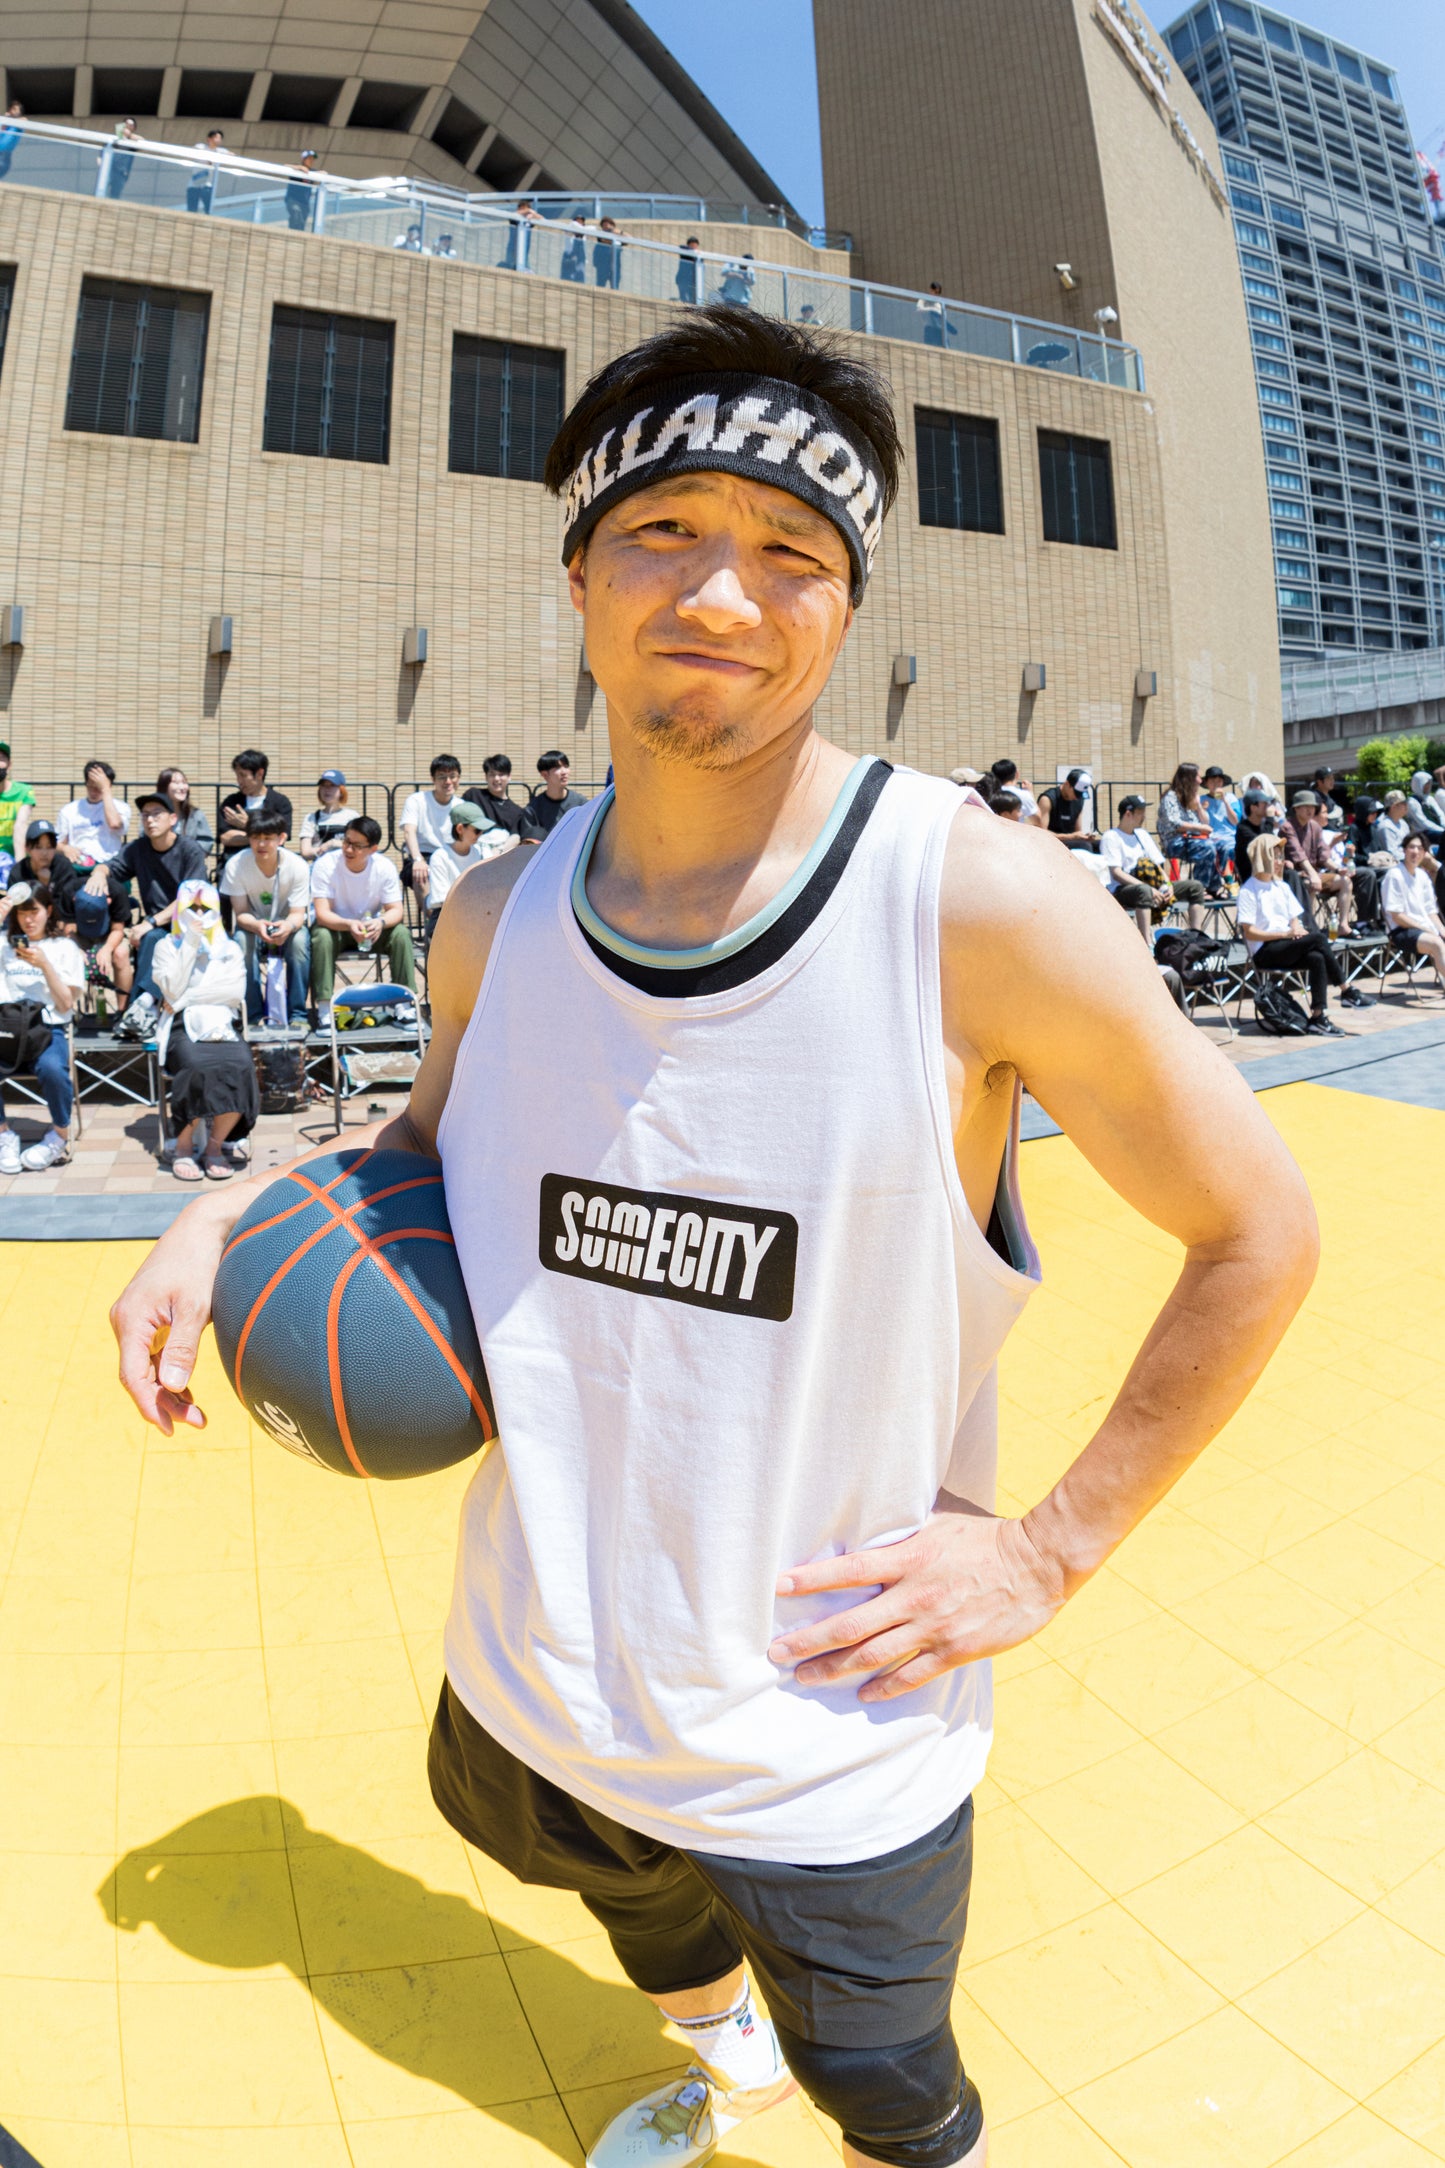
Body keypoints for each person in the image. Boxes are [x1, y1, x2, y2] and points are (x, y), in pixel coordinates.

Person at [113, 305, 1317, 2168]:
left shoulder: (978, 906)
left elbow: (1261, 1229)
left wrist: (1053, 1549)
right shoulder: (493, 918)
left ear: (846, 607)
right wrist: (231, 1204)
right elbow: (430, 1132)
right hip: (535, 1666)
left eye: (793, 553)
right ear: (581, 569)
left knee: (896, 2101)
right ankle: (715, 2046)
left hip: (826, 1730)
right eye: (667, 529)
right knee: (625, 1902)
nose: (725, 596)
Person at [153, 880, 258, 1181]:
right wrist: (189, 943)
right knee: (197, 1066)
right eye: (192, 908)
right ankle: (184, 1145)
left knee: (241, 1065)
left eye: (205, 908)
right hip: (180, 1025)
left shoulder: (230, 948)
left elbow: (233, 992)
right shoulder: (165, 946)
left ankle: (214, 1145)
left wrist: (187, 997)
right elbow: (171, 988)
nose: (198, 914)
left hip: (221, 1022)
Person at [97, 793, 209, 1042]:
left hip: (193, 926)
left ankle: (140, 1009)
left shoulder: (190, 850)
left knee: (156, 938)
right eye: (145, 815)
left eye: (156, 814)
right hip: (157, 928)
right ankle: (141, 1012)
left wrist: (149, 922)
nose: (149, 820)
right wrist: (98, 873)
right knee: (154, 940)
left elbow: (190, 897)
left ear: (172, 819)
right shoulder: (138, 848)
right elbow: (112, 866)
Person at [0, 881, 84, 1172]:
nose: (28, 919)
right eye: (21, 912)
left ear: (48, 911)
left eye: (34, 911)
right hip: (6, 1029)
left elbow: (65, 1005)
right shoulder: (4, 946)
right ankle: (3, 1135)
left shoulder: (63, 948)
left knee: (52, 1069)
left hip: (48, 1030)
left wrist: (45, 966)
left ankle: (59, 1135)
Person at [1237, 831, 1345, 1034]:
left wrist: (1295, 928)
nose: (1280, 861)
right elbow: (1250, 932)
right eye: (1275, 856)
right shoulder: (1248, 890)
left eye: (1281, 855)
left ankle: (1318, 1016)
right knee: (1319, 938)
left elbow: (1293, 916)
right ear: (1263, 858)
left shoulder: (1281, 886)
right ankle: (1346, 989)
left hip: (1285, 945)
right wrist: (1286, 934)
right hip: (1264, 952)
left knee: (1316, 957)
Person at [309, 815, 416, 1019]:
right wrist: (349, 924)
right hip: (337, 929)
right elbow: (322, 914)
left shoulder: (384, 867)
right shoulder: (326, 865)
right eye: (346, 841)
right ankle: (324, 1007)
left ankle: (403, 1004)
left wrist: (380, 922)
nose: (349, 849)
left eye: (357, 845)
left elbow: (396, 910)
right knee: (320, 936)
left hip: (371, 931)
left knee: (401, 933)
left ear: (372, 849)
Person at [219, 811, 311, 1028]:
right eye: (255, 837)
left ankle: (298, 1015)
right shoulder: (236, 864)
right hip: (254, 926)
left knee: (300, 941)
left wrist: (287, 926)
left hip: (288, 926)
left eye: (268, 838)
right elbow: (240, 913)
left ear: (281, 838)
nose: (261, 844)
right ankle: (252, 1015)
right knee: (241, 941)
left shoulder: (297, 866)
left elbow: (298, 913)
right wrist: (257, 925)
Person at [1098, 794, 1208, 941]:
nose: (1143, 816)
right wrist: (1148, 888)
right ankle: (1147, 943)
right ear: (1128, 814)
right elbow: (1117, 873)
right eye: (1140, 812)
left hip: (1152, 886)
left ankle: (1197, 938)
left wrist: (1167, 884)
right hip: (1123, 889)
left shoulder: (1142, 834)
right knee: (1144, 891)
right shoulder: (1111, 837)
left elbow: (1157, 865)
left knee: (1195, 887)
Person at [1285, 788, 1359, 941]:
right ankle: (1308, 927)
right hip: (1294, 876)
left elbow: (1324, 855)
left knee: (1345, 881)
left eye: (1312, 807)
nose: (1310, 810)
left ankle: (1343, 925)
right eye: (1306, 806)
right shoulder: (1288, 827)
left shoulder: (1315, 826)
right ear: (1296, 808)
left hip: (1315, 873)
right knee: (1311, 884)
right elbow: (1298, 855)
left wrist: (1339, 869)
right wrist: (1313, 875)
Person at [426, 798, 514, 919]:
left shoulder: (483, 851)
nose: (480, 835)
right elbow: (443, 900)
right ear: (460, 829)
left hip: (478, 913)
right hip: (446, 916)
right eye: (477, 830)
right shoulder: (440, 857)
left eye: (482, 830)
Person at [1382, 831, 1445, 994]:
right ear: (1404, 850)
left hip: (1424, 928)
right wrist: (1427, 929)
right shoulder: (1394, 875)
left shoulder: (1423, 876)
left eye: (1419, 848)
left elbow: (1431, 911)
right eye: (1411, 847)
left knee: (1441, 937)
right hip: (1401, 931)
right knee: (1437, 943)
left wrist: (1442, 930)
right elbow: (1397, 916)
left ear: (1424, 853)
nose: (1415, 852)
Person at [1157, 762, 1226, 895]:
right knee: (1207, 847)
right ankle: (1200, 888)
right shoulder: (1170, 797)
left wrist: (1198, 805)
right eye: (1198, 777)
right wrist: (1200, 828)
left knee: (1222, 845)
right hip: (1174, 842)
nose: (1201, 780)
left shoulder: (1191, 797)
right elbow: (1174, 823)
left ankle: (1214, 887)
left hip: (1193, 839)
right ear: (1189, 778)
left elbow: (1205, 821)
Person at [401, 754, 463, 899]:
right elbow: (409, 831)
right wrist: (417, 859)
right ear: (433, 779)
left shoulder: (461, 806)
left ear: (458, 778)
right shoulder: (416, 800)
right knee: (421, 875)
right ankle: (432, 920)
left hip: (450, 857)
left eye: (452, 776)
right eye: (442, 777)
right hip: (423, 855)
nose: (448, 781)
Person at [218, 750, 292, 861]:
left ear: (259, 774)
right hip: (235, 861)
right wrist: (264, 837)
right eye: (237, 776)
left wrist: (247, 825)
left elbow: (282, 836)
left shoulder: (280, 802)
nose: (239, 781)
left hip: (269, 863)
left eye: (243, 775)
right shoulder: (231, 802)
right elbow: (226, 837)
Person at [58, 760, 131, 867]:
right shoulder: (68, 810)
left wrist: (105, 789)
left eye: (98, 787)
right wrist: (65, 849)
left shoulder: (121, 807)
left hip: (110, 864)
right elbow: (58, 843)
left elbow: (114, 824)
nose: (93, 791)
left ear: (109, 785)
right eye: (90, 786)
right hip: (80, 864)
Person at [462, 753, 535, 842]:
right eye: (492, 774)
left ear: (509, 777)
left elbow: (514, 839)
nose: (496, 778)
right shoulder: (473, 795)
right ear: (486, 777)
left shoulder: (517, 812)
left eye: (501, 774)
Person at [1037, 766, 1099, 850]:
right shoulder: (1047, 799)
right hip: (1051, 841)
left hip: (1070, 841)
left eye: (1080, 794)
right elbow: (1041, 833)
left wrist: (1084, 837)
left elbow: (1077, 831)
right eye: (1076, 793)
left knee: (1100, 845)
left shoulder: (1079, 800)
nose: (1077, 798)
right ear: (1067, 784)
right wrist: (1071, 836)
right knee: (1085, 847)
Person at [156, 767, 215, 855]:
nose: (182, 787)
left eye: (184, 782)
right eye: (176, 783)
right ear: (164, 787)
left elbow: (206, 843)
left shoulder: (196, 815)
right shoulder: (152, 814)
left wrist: (189, 856)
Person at [527, 750, 586, 837]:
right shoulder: (533, 809)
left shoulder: (581, 804)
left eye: (566, 766)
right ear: (545, 774)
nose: (564, 772)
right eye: (557, 768)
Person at [298, 770, 351, 861]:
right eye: (323, 785)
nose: (327, 789)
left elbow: (357, 846)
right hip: (319, 868)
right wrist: (326, 849)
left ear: (341, 790)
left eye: (332, 785)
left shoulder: (351, 816)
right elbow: (305, 852)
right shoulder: (311, 818)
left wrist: (333, 843)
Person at [0, 740, 36, 871]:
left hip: (12, 858)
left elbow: (20, 825)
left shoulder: (24, 791)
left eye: (1, 758)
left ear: (9, 765)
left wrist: (19, 867)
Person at [987, 758, 1041, 824]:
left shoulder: (989, 793)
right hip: (1015, 832)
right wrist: (1030, 793)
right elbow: (1038, 820)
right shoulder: (1023, 795)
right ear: (1017, 774)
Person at [187, 129, 226, 215]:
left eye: (220, 138)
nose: (219, 140)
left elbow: (233, 156)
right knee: (191, 210)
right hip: (194, 183)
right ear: (209, 138)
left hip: (208, 185)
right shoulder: (201, 147)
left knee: (208, 210)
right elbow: (190, 152)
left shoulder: (221, 152)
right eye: (216, 137)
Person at [1201, 766, 1239, 852]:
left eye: (1219, 781)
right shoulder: (1201, 800)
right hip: (1209, 839)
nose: (1216, 784)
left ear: (1222, 783)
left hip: (1230, 839)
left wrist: (1225, 801)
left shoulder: (1231, 798)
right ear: (1206, 783)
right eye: (1212, 781)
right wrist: (1201, 809)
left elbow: (1235, 821)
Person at [102, 117, 140, 200]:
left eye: (131, 125)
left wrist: (129, 135)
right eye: (126, 124)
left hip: (121, 173)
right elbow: (104, 149)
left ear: (134, 128)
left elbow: (143, 142)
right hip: (109, 169)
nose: (128, 126)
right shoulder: (115, 139)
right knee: (101, 190)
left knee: (115, 195)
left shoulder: (132, 143)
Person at [284, 149, 320, 232]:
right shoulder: (297, 169)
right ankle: (292, 234)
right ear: (303, 159)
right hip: (293, 200)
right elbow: (285, 166)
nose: (311, 161)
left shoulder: (312, 172)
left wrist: (322, 173)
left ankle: (297, 237)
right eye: (309, 159)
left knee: (301, 223)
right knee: (296, 216)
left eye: (312, 159)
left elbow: (322, 173)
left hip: (304, 203)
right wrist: (299, 167)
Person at [1372, 790, 1412, 863]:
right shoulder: (1385, 826)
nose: (1407, 805)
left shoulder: (1403, 823)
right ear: (1393, 807)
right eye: (1403, 803)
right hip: (1396, 863)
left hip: (1408, 857)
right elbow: (1391, 853)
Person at [502, 198, 540, 272]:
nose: (524, 212)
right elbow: (513, 215)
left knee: (525, 269)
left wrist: (532, 214)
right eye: (522, 209)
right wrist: (528, 210)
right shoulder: (514, 219)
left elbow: (540, 218)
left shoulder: (528, 222)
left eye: (525, 210)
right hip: (513, 249)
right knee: (510, 267)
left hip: (524, 252)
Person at [917, 282, 954, 347]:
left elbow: (942, 317)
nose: (935, 295)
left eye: (937, 293)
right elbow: (919, 310)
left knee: (943, 346)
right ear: (930, 290)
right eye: (934, 292)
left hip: (939, 329)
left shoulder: (939, 304)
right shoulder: (923, 300)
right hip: (929, 328)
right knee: (929, 347)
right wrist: (931, 310)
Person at [593, 215, 624, 290]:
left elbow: (629, 239)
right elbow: (603, 240)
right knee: (600, 288)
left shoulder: (618, 242)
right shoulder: (600, 240)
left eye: (608, 226)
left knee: (615, 288)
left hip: (615, 269)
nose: (606, 228)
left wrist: (618, 232)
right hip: (602, 269)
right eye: (604, 227)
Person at [0, 101, 25, 184]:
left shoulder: (19, 123)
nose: (12, 110)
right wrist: (5, 120)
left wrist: (10, 119)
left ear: (20, 112)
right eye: (11, 108)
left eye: (15, 109)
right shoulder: (6, 124)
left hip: (4, 157)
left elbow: (24, 120)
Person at [676, 236, 703, 306]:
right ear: (688, 245)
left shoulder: (698, 256)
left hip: (693, 281)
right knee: (683, 297)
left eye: (695, 245)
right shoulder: (685, 252)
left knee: (693, 298)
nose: (694, 247)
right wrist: (693, 251)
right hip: (683, 279)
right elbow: (681, 247)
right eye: (692, 245)